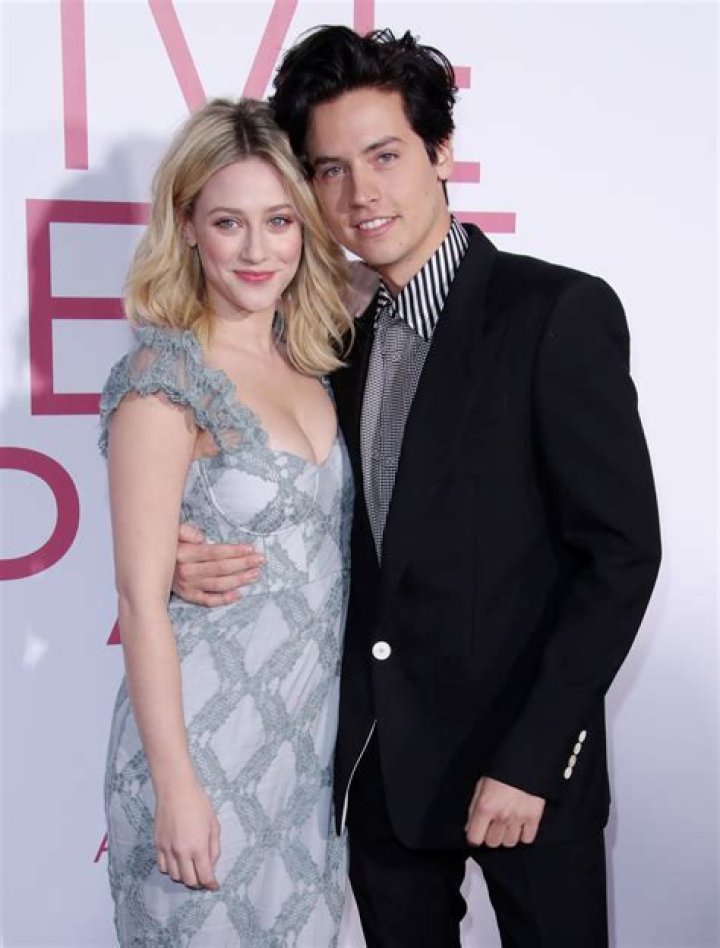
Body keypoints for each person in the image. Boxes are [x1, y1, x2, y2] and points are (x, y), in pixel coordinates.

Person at [174, 27, 662, 947]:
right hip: (379, 769)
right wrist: (179, 553)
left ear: (440, 151)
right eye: (329, 170)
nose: (360, 194)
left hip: (523, 766)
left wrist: (535, 757)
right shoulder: (327, 341)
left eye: (385, 156)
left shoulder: (553, 313)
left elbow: (622, 555)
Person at [99, 96, 356, 946]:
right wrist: (176, 785)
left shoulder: (318, 355)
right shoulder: (164, 377)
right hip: (203, 750)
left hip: (306, 758)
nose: (256, 250)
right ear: (187, 227)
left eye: (279, 221)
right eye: (227, 222)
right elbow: (139, 600)